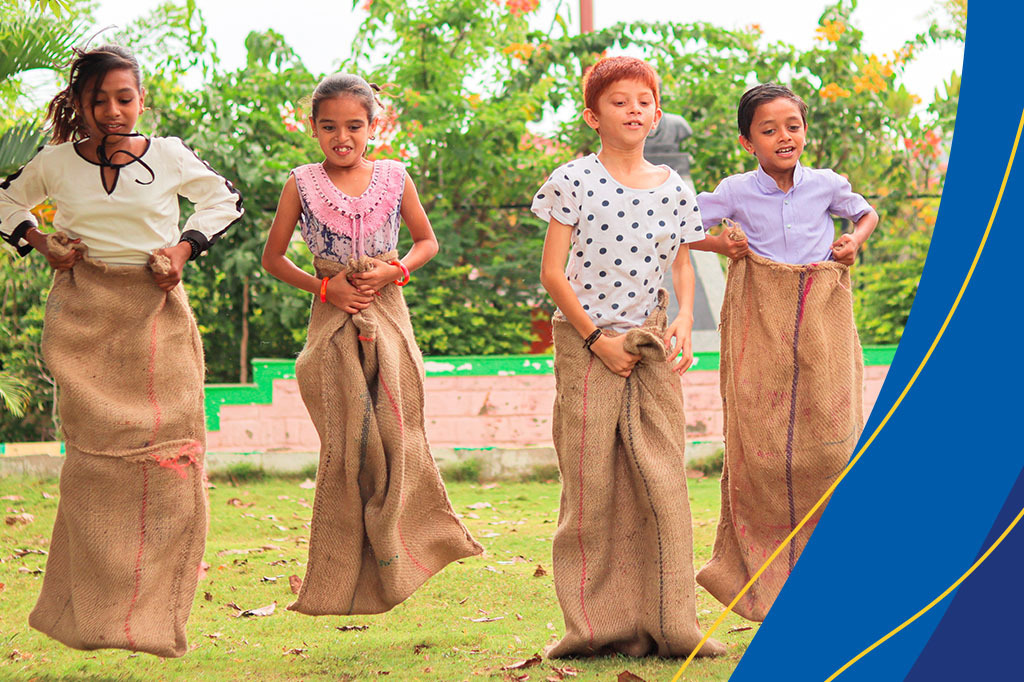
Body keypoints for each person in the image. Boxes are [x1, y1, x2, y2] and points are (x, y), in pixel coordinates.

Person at [0, 45, 243, 658]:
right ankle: (89, 614)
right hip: (84, 314)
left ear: (142, 100)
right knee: (93, 458)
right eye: (99, 99)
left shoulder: (168, 155)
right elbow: (5, 200)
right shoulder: (55, 163)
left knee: (170, 453)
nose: (113, 111)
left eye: (125, 98)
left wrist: (182, 252)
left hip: (155, 310)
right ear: (79, 104)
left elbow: (224, 201)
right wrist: (40, 241)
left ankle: (156, 614)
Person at [261, 73, 482, 617]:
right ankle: (343, 574)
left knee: (399, 432)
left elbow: (427, 241)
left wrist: (396, 271)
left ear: (372, 126)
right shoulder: (301, 183)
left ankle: (411, 547)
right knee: (348, 445)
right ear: (312, 128)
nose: (343, 137)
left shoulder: (395, 177)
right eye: (330, 127)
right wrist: (325, 287)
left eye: (354, 126)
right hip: (331, 317)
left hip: (389, 313)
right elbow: (274, 258)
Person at [532, 56, 724, 659]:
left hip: (649, 345)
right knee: (591, 487)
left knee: (664, 482)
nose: (634, 109)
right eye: (619, 101)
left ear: (657, 111)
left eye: (644, 100)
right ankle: (593, 627)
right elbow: (551, 274)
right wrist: (596, 341)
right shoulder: (573, 180)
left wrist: (687, 321)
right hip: (586, 344)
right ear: (593, 116)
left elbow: (684, 261)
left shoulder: (674, 188)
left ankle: (672, 625)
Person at [692, 83, 879, 621]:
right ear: (747, 142)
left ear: (805, 131)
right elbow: (682, 229)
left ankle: (833, 563)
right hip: (763, 314)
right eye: (768, 130)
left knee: (831, 432)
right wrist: (721, 244)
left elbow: (862, 214)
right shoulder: (733, 190)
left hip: (820, 313)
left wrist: (854, 241)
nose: (783, 137)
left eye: (792, 126)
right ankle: (762, 568)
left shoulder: (827, 185)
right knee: (762, 431)